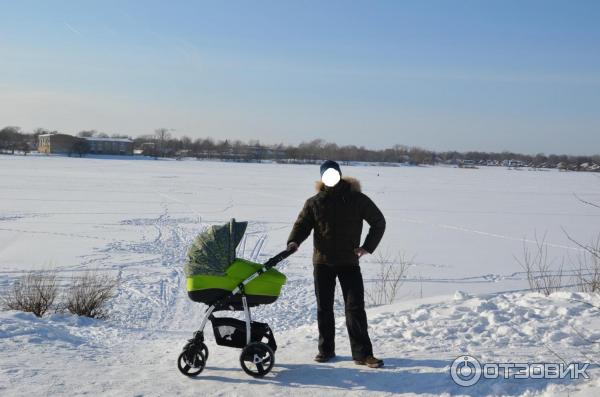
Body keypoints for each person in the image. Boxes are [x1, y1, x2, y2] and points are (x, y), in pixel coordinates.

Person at [287, 160, 386, 368]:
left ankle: (363, 354)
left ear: (340, 174)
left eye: (334, 173)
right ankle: (326, 350)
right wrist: (294, 241)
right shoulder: (314, 202)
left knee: (355, 308)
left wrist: (367, 247)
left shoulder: (357, 199)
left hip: (349, 262)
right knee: (324, 308)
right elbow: (302, 224)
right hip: (322, 263)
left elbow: (378, 221)